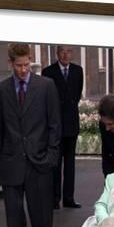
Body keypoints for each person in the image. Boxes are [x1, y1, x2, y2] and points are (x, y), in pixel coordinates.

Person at [0, 43, 62, 227]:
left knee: (43, 226)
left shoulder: (45, 87)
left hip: (40, 165)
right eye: (18, 66)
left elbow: (55, 124)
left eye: (26, 65)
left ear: (31, 61)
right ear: (11, 63)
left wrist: (51, 158)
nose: (23, 70)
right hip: (12, 168)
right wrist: (0, 164)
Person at [41, 45, 84, 209]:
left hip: (71, 123)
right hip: (55, 124)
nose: (66, 55)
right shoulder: (48, 72)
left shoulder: (77, 71)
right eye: (62, 51)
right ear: (57, 53)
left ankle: (69, 198)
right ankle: (54, 198)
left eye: (68, 51)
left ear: (72, 53)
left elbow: (77, 94)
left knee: (70, 164)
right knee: (55, 163)